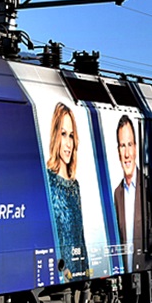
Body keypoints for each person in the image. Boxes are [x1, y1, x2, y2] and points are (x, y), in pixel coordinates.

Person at [45, 102, 88, 281]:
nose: (68, 143)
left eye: (71, 135)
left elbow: (80, 238)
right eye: (63, 134)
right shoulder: (48, 182)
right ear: (56, 136)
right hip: (61, 275)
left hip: (78, 273)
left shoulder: (75, 186)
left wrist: (86, 273)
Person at [113, 115, 151, 271]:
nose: (127, 153)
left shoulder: (150, 187)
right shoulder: (117, 194)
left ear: (136, 148)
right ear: (118, 151)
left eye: (129, 145)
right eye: (123, 146)